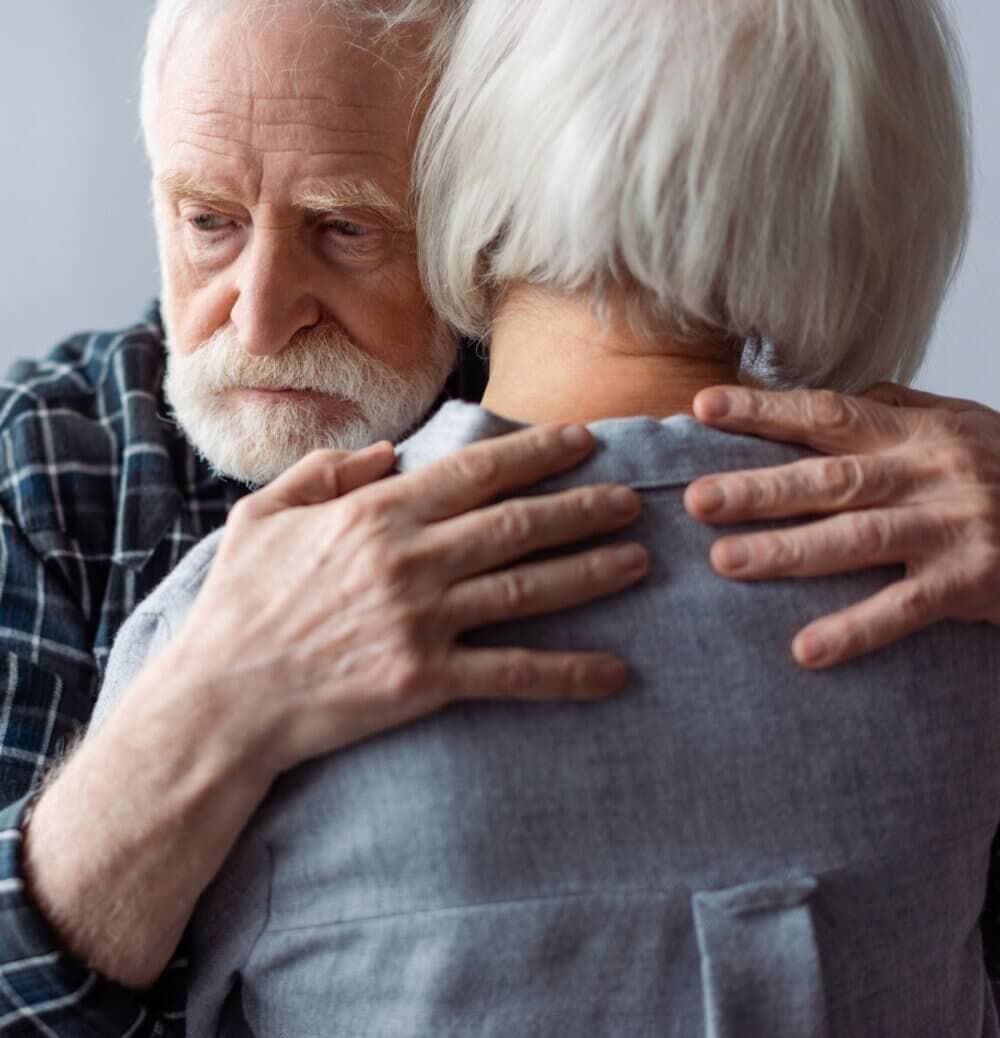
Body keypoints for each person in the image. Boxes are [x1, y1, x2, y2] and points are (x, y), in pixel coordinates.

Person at [0, 0, 997, 1034]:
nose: (258, 319)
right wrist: (203, 714)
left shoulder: (905, 519)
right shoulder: (51, 471)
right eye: (208, 221)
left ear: (479, 174)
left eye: (348, 228)